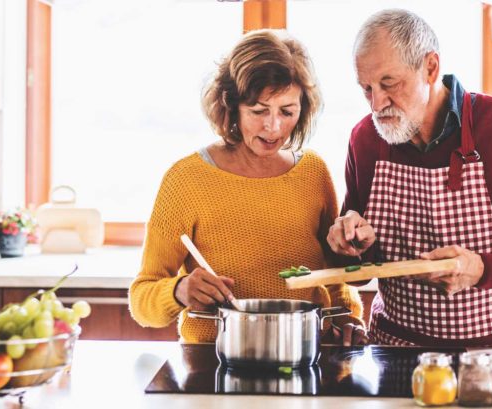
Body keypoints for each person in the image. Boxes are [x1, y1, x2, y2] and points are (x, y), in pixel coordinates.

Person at [326, 9, 492, 348]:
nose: (376, 103)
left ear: (430, 67)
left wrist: (481, 268)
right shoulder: (366, 139)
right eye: (366, 88)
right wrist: (351, 244)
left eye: (389, 83)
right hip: (395, 349)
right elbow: (354, 262)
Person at [130, 29, 367, 345]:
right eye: (258, 111)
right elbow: (142, 299)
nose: (273, 127)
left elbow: (333, 275)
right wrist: (178, 290)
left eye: (287, 111)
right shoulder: (186, 180)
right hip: (214, 361)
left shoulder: (313, 172)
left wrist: (348, 317)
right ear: (231, 106)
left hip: (305, 352)